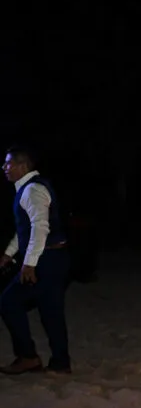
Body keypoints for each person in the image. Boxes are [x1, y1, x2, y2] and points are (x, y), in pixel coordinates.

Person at [0, 146, 71, 375]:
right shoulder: (27, 189)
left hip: (46, 257)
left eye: (8, 163)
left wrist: (29, 263)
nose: (4, 168)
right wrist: (10, 253)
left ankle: (28, 356)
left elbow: (40, 227)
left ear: (22, 166)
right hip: (53, 256)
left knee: (8, 302)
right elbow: (24, 229)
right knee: (51, 311)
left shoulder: (32, 190)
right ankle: (60, 363)